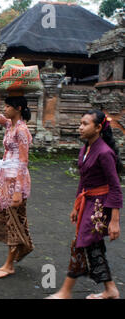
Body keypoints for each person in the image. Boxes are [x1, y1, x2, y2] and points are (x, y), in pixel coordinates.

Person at [47, 110, 122, 299]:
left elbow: (115, 187)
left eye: (85, 124)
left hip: (99, 206)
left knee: (82, 243)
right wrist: (76, 206)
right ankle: (110, 289)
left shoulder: (105, 152)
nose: (80, 127)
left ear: (98, 128)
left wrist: (114, 221)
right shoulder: (86, 149)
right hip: (87, 201)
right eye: (80, 123)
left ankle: (65, 291)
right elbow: (84, 180)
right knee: (92, 246)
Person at [0, 92, 34, 279]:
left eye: (8, 106)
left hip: (16, 182)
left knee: (14, 222)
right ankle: (22, 245)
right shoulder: (8, 124)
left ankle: (9, 264)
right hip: (5, 178)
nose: (5, 109)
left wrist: (18, 192)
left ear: (18, 108)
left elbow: (23, 161)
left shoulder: (21, 130)